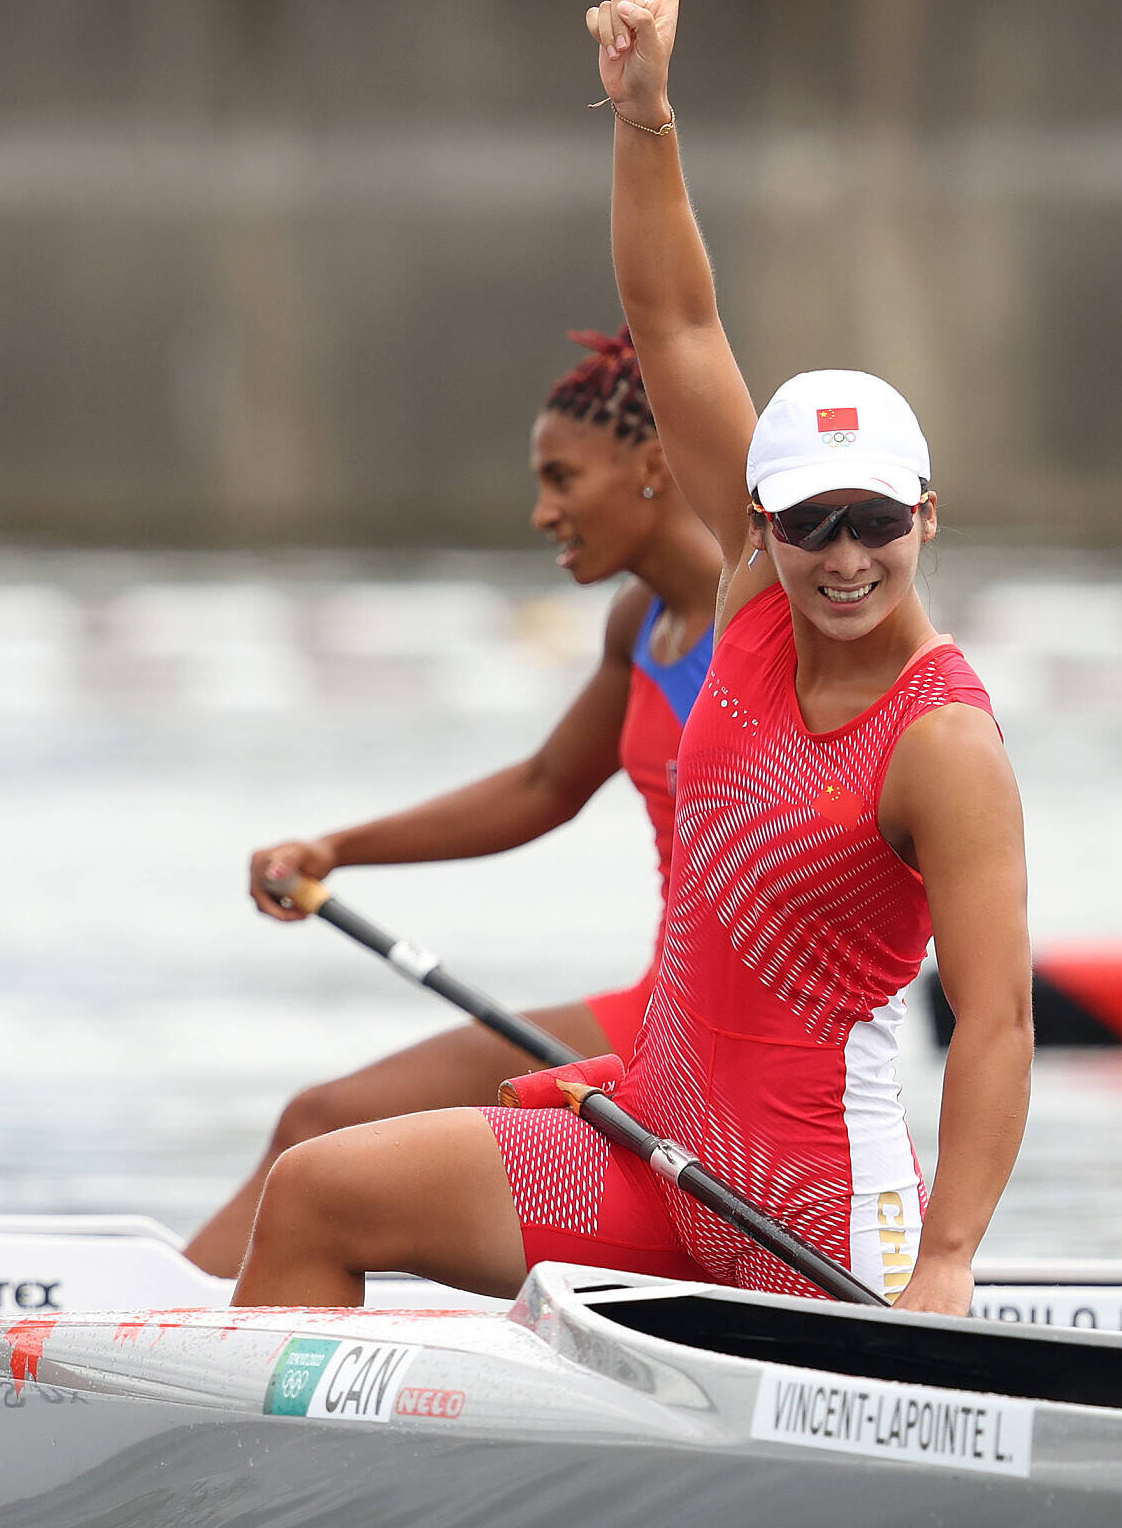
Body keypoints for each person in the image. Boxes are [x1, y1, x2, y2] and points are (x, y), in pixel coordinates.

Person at [231, 0, 1032, 1317]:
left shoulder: (944, 740)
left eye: (874, 521)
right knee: (317, 1189)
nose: (844, 558)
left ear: (928, 513)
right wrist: (645, 115)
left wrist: (950, 1263)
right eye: (808, 525)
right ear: (758, 523)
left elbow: (998, 1024)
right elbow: (675, 324)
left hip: (817, 1218)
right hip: (653, 1155)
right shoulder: (744, 583)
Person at [182, 329, 723, 1277]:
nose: (542, 511)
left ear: (651, 466)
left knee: (323, 1126)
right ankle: (175, 1317)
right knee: (320, 1120)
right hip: (656, 1003)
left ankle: (172, 1331)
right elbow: (543, 785)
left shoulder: (762, 620)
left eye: (562, 479)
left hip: (729, 1026)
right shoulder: (643, 622)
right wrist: (337, 848)